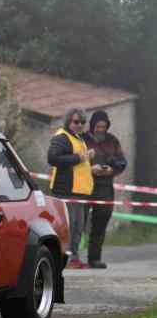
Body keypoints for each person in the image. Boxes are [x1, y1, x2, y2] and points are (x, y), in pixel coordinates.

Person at [47, 108, 94, 269]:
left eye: (82, 122)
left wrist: (91, 166)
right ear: (68, 121)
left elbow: (80, 165)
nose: (79, 125)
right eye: (76, 122)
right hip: (66, 190)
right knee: (70, 226)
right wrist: (79, 158)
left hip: (79, 191)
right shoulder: (62, 137)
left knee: (78, 226)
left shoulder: (78, 138)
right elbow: (52, 158)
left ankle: (74, 257)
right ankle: (66, 258)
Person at [82, 111, 127, 269]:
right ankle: (71, 257)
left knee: (101, 222)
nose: (101, 129)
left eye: (104, 126)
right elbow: (74, 161)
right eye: (98, 126)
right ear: (92, 125)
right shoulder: (82, 139)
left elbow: (122, 162)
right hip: (84, 186)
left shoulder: (112, 141)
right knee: (77, 222)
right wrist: (89, 169)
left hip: (105, 187)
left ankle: (94, 258)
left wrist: (111, 170)